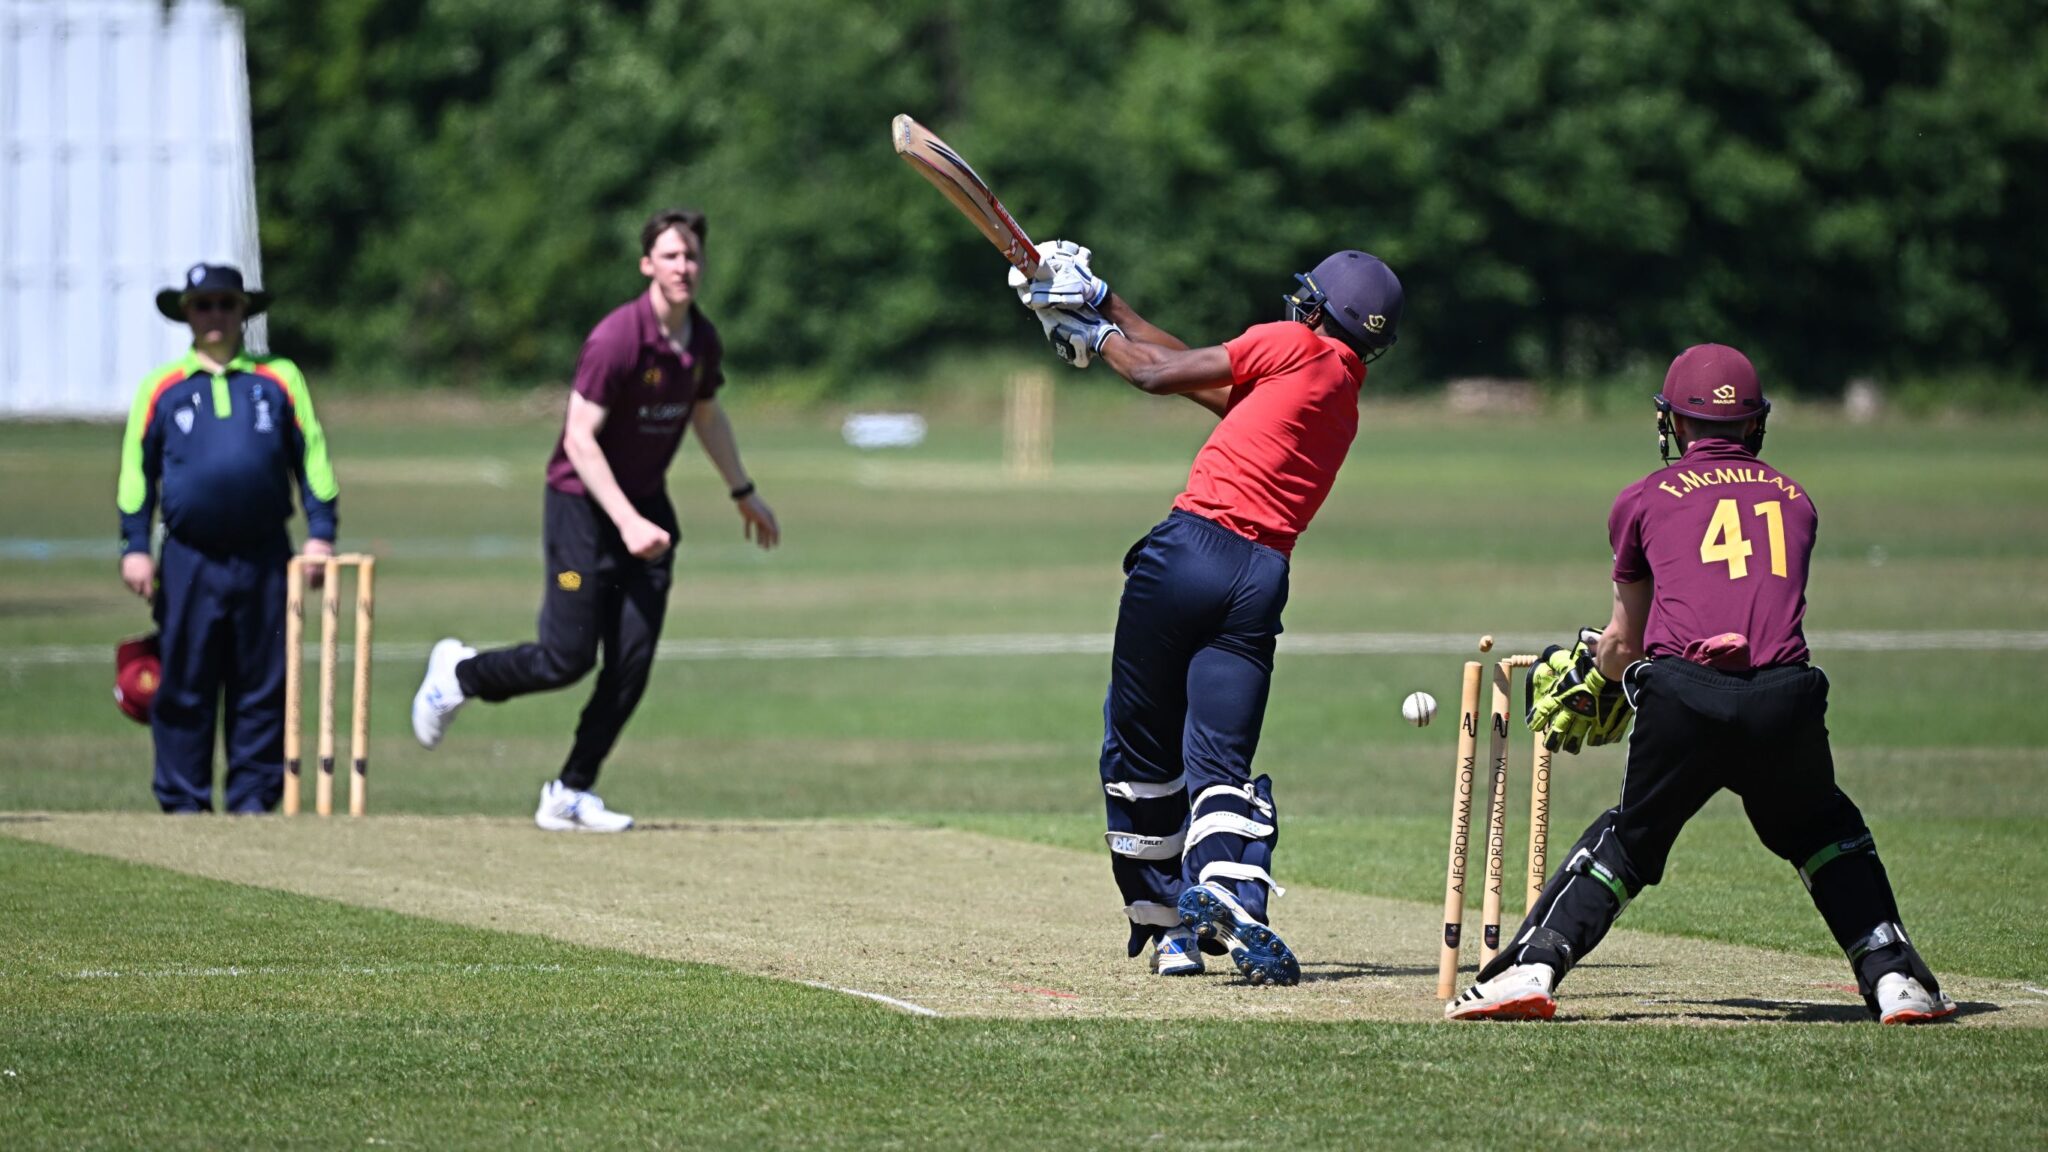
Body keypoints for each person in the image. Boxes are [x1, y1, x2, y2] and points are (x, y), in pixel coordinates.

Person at [1447, 343, 1956, 1024]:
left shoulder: (1643, 498)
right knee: (1823, 830)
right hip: (1785, 697)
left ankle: (1530, 970)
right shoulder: (1796, 500)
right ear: (1754, 424)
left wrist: (1596, 679)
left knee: (1631, 841)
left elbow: (1625, 641)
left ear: (1674, 424)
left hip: (1685, 697)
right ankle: (1896, 981)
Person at [1017, 244, 1403, 984]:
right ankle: (1229, 894)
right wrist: (1103, 297)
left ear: (1322, 311)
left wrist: (1091, 336)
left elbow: (1158, 374)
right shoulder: (1339, 397)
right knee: (1220, 761)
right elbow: (1206, 378)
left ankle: (1168, 931)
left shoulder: (1290, 342)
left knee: (1139, 746)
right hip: (1260, 579)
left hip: (1188, 554)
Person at [410, 207, 779, 832]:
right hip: (581, 510)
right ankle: (459, 674)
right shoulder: (617, 339)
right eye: (670, 256)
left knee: (631, 665)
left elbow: (707, 416)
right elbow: (579, 441)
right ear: (647, 265)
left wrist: (742, 490)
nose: (683, 267)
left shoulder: (702, 342)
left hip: (645, 512)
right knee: (566, 657)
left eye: (691, 256)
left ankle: (570, 792)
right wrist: (627, 521)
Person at [117, 263, 341, 812]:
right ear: (188, 315)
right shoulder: (162, 387)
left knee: (263, 684)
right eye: (203, 305)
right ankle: (183, 800)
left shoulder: (280, 378)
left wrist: (321, 535)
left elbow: (312, 457)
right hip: (190, 558)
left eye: (225, 304)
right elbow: (134, 471)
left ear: (243, 312)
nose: (215, 315)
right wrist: (136, 547)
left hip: (266, 557)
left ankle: (252, 799)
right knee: (185, 682)